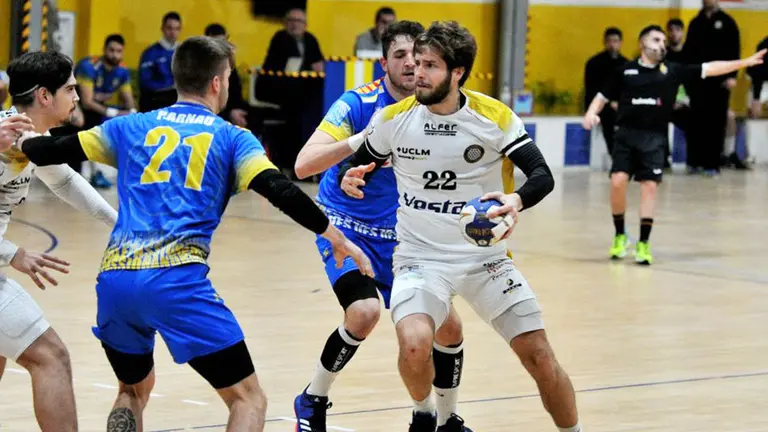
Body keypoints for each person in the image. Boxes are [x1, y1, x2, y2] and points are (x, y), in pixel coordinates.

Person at [17, 36, 372, 432]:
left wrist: (12, 134)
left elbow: (49, 150)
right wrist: (335, 235)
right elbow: (280, 190)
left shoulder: (131, 126)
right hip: (177, 281)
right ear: (218, 83)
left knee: (132, 390)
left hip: (116, 279)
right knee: (247, 398)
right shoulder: (233, 138)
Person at [340, 21, 582, 432]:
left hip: (485, 258)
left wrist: (515, 199)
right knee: (414, 343)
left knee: (539, 356)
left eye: (430, 66)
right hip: (420, 258)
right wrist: (350, 175)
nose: (418, 73)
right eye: (417, 63)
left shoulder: (492, 117)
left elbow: (541, 174)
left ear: (457, 73)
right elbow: (359, 160)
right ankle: (425, 414)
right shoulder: (393, 119)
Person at [293, 21, 471, 432]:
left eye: (418, 57)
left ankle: (441, 419)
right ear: (384, 62)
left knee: (449, 327)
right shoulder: (358, 102)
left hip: (405, 239)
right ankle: (312, 398)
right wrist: (361, 141)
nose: (411, 65)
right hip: (347, 229)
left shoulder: (437, 108)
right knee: (364, 311)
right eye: (400, 56)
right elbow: (304, 164)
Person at [0, 51, 118, 432]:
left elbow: (64, 180)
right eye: (70, 88)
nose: (78, 97)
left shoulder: (29, 136)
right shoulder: (6, 141)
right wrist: (12, 253)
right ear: (44, 96)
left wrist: (118, 222)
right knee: (52, 356)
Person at [583, 25, 765, 264]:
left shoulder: (672, 71)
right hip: (626, 136)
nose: (662, 44)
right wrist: (590, 113)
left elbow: (711, 68)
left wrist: (744, 62)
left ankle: (644, 243)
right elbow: (602, 96)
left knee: (649, 186)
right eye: (656, 40)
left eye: (663, 41)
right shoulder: (624, 71)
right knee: (618, 183)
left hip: (655, 138)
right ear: (642, 44)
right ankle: (620, 235)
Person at [682, 0, 741, 175]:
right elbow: (689, 53)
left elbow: (734, 50)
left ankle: (712, 164)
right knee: (696, 122)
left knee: (716, 122)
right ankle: (694, 162)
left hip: (720, 80)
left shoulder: (727, 22)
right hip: (699, 80)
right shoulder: (695, 23)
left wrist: (732, 76)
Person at [75, 34, 136, 188]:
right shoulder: (88, 66)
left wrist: (133, 112)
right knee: (82, 122)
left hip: (98, 108)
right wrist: (113, 113)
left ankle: (115, 172)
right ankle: (87, 173)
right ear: (104, 50)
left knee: (128, 122)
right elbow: (87, 102)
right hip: (75, 105)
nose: (115, 55)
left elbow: (128, 99)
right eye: (111, 50)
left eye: (119, 51)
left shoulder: (122, 71)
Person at [584, 27, 628, 156]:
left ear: (620, 42)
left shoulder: (626, 64)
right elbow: (592, 89)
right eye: (609, 41)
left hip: (622, 106)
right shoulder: (594, 63)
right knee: (609, 122)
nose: (612, 44)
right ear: (604, 42)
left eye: (615, 41)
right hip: (603, 108)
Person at [204, 23, 249, 128]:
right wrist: (230, 112)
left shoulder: (229, 63)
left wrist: (236, 109)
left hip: (229, 107)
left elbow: (236, 91)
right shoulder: (201, 65)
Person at [138, 12, 181, 112]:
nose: (173, 32)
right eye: (169, 28)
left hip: (178, 99)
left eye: (176, 28)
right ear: (162, 28)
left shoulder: (184, 51)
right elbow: (144, 83)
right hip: (156, 100)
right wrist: (169, 86)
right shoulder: (150, 53)